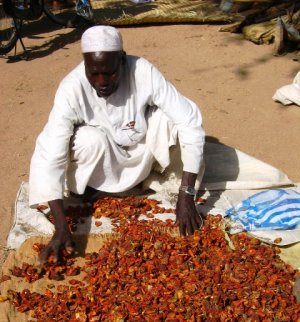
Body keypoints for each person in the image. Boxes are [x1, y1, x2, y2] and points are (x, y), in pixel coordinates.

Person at [29, 25, 205, 263]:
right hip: (101, 156)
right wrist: (60, 226)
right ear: (85, 66)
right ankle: (94, 189)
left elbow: (189, 119)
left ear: (122, 59)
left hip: (139, 150)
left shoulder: (142, 71)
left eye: (109, 73)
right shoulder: (72, 88)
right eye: (94, 73)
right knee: (86, 140)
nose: (101, 82)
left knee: (171, 121)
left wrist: (187, 195)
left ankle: (140, 183)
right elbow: (51, 152)